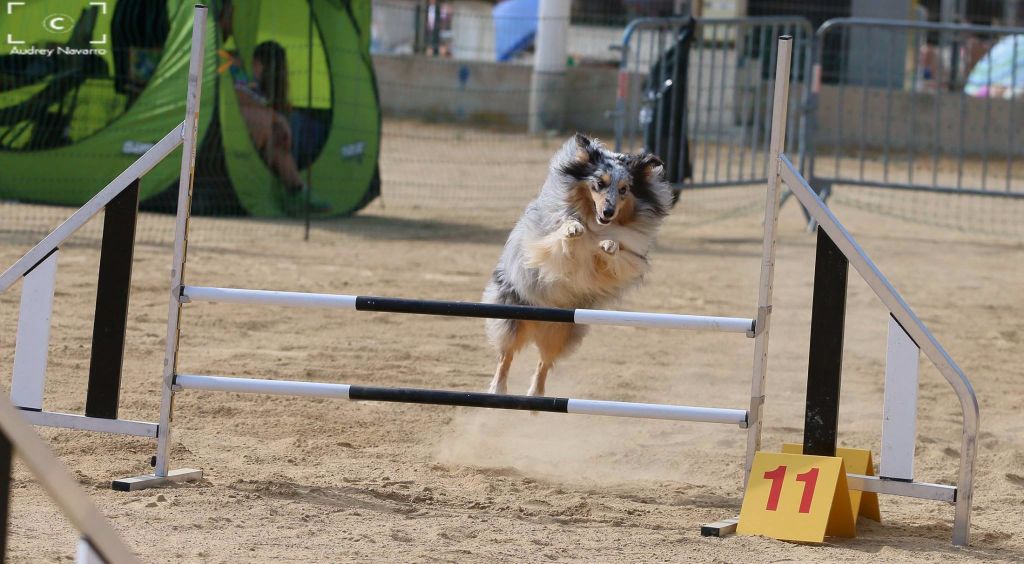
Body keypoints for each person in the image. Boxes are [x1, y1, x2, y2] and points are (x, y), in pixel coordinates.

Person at [229, 41, 330, 215]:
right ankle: (296, 191)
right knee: (273, 128)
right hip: (249, 135)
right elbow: (234, 95)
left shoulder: (257, 88)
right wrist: (276, 118)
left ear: (258, 64)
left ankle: (297, 190)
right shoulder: (238, 75)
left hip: (265, 141)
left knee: (277, 140)